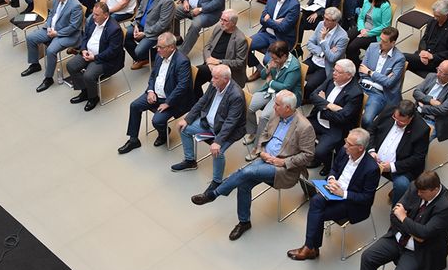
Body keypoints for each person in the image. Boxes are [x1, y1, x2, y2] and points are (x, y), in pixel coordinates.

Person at [192, 90, 315, 242]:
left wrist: (282, 162)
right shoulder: (277, 114)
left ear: (288, 108)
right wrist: (261, 151)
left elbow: (308, 155)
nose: (273, 107)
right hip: (264, 159)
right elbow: (263, 133)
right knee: (244, 182)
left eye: (277, 104)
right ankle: (244, 222)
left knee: (246, 172)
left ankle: (213, 194)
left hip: (283, 169)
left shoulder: (305, 127)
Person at [333, 171, 448, 270]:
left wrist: (404, 218)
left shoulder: (446, 206)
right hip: (398, 239)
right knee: (368, 256)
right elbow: (393, 214)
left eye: (422, 193)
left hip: (420, 252)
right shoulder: (415, 188)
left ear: (434, 190)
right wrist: (412, 230)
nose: (418, 194)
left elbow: (424, 234)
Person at [289, 128, 381, 262]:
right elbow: (335, 168)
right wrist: (331, 178)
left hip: (351, 203)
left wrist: (343, 193)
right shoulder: (344, 152)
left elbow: (366, 198)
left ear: (360, 148)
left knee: (318, 213)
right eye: (346, 141)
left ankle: (310, 248)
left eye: (349, 144)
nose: (345, 146)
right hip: (333, 191)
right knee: (316, 201)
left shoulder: (371, 168)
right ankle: (310, 248)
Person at [172, 64, 247, 194]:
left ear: (226, 79)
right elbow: (202, 101)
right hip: (209, 123)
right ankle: (190, 161)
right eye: (212, 77)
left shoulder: (236, 96)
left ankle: (217, 181)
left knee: (218, 151)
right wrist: (188, 119)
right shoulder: (215, 84)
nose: (212, 80)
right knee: (184, 129)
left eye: (215, 78)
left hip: (227, 130)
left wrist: (217, 141)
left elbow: (231, 122)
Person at [119, 32, 193, 153]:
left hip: (172, 100)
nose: (157, 50)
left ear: (171, 47)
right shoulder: (159, 56)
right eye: (157, 47)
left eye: (160, 47)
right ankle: (133, 140)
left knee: (157, 121)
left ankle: (164, 133)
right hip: (155, 94)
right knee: (135, 106)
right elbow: (153, 75)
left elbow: (182, 87)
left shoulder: (182, 62)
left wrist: (168, 103)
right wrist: (150, 91)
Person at [22, 0, 84, 91]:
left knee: (50, 50)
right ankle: (35, 64)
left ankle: (48, 78)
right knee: (31, 38)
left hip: (67, 35)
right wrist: (49, 26)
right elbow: (51, 14)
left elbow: (73, 27)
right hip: (52, 29)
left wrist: (57, 33)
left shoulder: (76, 6)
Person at [65, 2, 125, 110]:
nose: (93, 17)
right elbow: (85, 37)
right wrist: (83, 49)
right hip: (88, 53)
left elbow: (112, 52)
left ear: (106, 15)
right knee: (71, 66)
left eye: (97, 15)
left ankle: (93, 98)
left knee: (88, 75)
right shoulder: (93, 21)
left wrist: (95, 58)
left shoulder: (114, 29)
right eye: (93, 14)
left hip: (103, 59)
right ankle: (85, 91)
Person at [244, 40, 302, 154]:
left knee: (264, 116)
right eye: (272, 58)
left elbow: (286, 86)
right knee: (248, 105)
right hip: (270, 90)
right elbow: (262, 76)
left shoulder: (294, 67)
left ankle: (258, 146)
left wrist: (270, 82)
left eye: (275, 59)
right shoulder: (275, 58)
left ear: (284, 56)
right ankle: (253, 132)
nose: (273, 60)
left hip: (284, 95)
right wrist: (268, 69)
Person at [367, 99, 431, 201]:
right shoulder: (389, 111)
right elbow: (371, 130)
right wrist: (371, 150)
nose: (397, 123)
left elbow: (417, 158)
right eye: (395, 118)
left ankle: (396, 212)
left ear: (411, 118)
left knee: (402, 185)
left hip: (400, 167)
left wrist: (392, 167)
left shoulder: (422, 129)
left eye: (401, 121)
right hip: (374, 157)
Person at [306, 59, 363, 172]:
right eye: (334, 70)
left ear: (348, 75)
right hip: (317, 119)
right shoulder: (332, 79)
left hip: (334, 127)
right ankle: (317, 159)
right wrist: (329, 105)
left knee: (320, 151)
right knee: (299, 130)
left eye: (338, 72)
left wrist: (322, 105)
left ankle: (328, 165)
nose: (334, 73)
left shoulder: (355, 93)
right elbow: (313, 95)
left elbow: (342, 118)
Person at [247, 0, 300, 76]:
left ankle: (271, 77)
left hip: (280, 39)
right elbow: (262, 19)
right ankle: (259, 70)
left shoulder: (294, 5)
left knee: (267, 60)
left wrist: (269, 20)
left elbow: (283, 28)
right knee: (243, 45)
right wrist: (275, 22)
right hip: (266, 33)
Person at [357, 27, 406, 127]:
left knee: (367, 120)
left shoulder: (399, 59)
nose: (380, 43)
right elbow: (361, 71)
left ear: (393, 43)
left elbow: (389, 83)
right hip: (362, 85)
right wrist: (382, 77)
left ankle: (369, 139)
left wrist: (370, 72)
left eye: (384, 41)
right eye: (380, 39)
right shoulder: (372, 47)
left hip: (378, 93)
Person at [125, 0, 174, 68]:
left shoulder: (167, 0)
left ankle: (156, 56)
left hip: (154, 31)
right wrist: (136, 24)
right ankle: (143, 58)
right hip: (140, 25)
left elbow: (162, 24)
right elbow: (140, 9)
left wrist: (144, 33)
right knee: (122, 35)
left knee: (138, 51)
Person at [402, 0, 448, 78]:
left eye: (438, 16)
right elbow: (424, 39)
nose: (435, 18)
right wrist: (422, 52)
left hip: (436, 62)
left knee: (403, 57)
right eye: (434, 15)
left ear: (447, 14)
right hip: (422, 56)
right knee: (401, 63)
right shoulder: (432, 21)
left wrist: (432, 56)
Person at [302, 6, 349, 96]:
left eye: (327, 19)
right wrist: (323, 53)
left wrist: (323, 41)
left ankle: (306, 99)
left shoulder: (342, 37)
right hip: (314, 59)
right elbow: (310, 43)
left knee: (310, 85)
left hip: (325, 66)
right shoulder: (320, 24)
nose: (324, 21)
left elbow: (331, 58)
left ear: (335, 22)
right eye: (324, 17)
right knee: (297, 72)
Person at [411, 60, 448, 141]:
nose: (438, 74)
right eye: (438, 69)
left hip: (433, 120)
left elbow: (442, 110)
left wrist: (423, 108)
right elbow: (416, 92)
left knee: (419, 141)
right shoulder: (431, 76)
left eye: (442, 73)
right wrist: (431, 101)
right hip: (416, 112)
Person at [345, 0, 392, 66]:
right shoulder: (367, 0)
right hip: (363, 27)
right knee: (345, 38)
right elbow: (361, 17)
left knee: (352, 47)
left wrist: (368, 33)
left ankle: (355, 66)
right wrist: (362, 29)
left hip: (375, 33)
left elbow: (385, 26)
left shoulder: (385, 6)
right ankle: (351, 61)